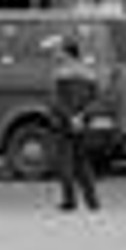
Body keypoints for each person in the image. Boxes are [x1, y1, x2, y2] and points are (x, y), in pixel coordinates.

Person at [47, 36, 104, 213]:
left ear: (67, 53)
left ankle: (69, 200)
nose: (56, 54)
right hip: (84, 123)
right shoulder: (90, 73)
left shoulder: (59, 74)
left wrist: (70, 117)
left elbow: (56, 101)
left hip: (65, 123)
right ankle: (92, 201)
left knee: (65, 162)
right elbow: (96, 100)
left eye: (60, 51)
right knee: (83, 162)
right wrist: (83, 116)